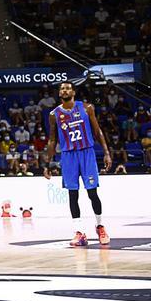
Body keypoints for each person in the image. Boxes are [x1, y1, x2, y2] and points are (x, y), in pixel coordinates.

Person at [42, 81, 111, 247]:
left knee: (92, 193)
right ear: (59, 93)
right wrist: (47, 163)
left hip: (87, 153)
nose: (64, 90)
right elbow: (52, 140)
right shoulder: (54, 114)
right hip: (68, 156)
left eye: (67, 88)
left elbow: (97, 131)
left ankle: (100, 226)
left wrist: (107, 152)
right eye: (62, 89)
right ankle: (79, 232)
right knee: (73, 195)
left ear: (73, 91)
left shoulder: (87, 108)